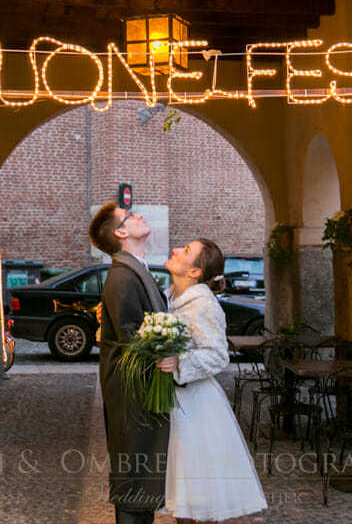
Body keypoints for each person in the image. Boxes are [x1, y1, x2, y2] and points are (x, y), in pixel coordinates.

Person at [156, 239, 268, 523]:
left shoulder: (203, 305)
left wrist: (180, 363)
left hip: (196, 408)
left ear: (195, 272)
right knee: (181, 497)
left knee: (196, 496)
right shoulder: (167, 299)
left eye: (185, 251)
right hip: (173, 402)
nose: (175, 250)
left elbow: (218, 355)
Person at [89, 201, 169, 524]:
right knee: (134, 477)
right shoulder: (121, 276)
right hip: (132, 392)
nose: (138, 215)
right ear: (121, 232)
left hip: (141, 389)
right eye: (129, 216)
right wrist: (168, 353)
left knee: (142, 474)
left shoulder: (134, 268)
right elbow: (131, 336)